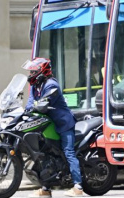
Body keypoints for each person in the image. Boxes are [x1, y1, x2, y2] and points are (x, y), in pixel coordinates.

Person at [23, 58, 84, 197]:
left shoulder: (51, 85)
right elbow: (31, 102)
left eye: (33, 71)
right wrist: (26, 111)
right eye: (31, 71)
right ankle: (46, 189)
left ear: (42, 71)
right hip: (48, 125)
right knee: (46, 156)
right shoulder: (35, 85)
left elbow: (43, 104)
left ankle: (78, 187)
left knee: (68, 152)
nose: (31, 73)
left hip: (63, 124)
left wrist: (33, 107)